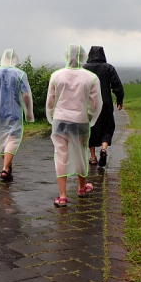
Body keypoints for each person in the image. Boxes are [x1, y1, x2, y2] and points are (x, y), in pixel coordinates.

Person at [46, 44, 102, 208]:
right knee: (81, 153)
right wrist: (91, 117)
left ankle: (62, 196)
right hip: (80, 121)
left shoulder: (56, 76)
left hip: (60, 120)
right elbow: (95, 103)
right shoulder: (90, 77)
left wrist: (51, 116)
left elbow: (50, 101)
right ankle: (81, 188)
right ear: (83, 57)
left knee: (61, 155)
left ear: (66, 56)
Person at [0, 49, 35, 181]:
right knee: (13, 139)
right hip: (15, 112)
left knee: (2, 139)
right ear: (15, 60)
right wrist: (29, 113)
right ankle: (5, 169)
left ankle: (7, 166)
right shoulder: (20, 74)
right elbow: (27, 95)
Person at [83, 46, 124, 167]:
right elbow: (117, 85)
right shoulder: (108, 68)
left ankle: (93, 157)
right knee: (108, 126)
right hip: (105, 101)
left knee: (90, 128)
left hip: (89, 103)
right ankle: (104, 149)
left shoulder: (84, 68)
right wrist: (119, 100)